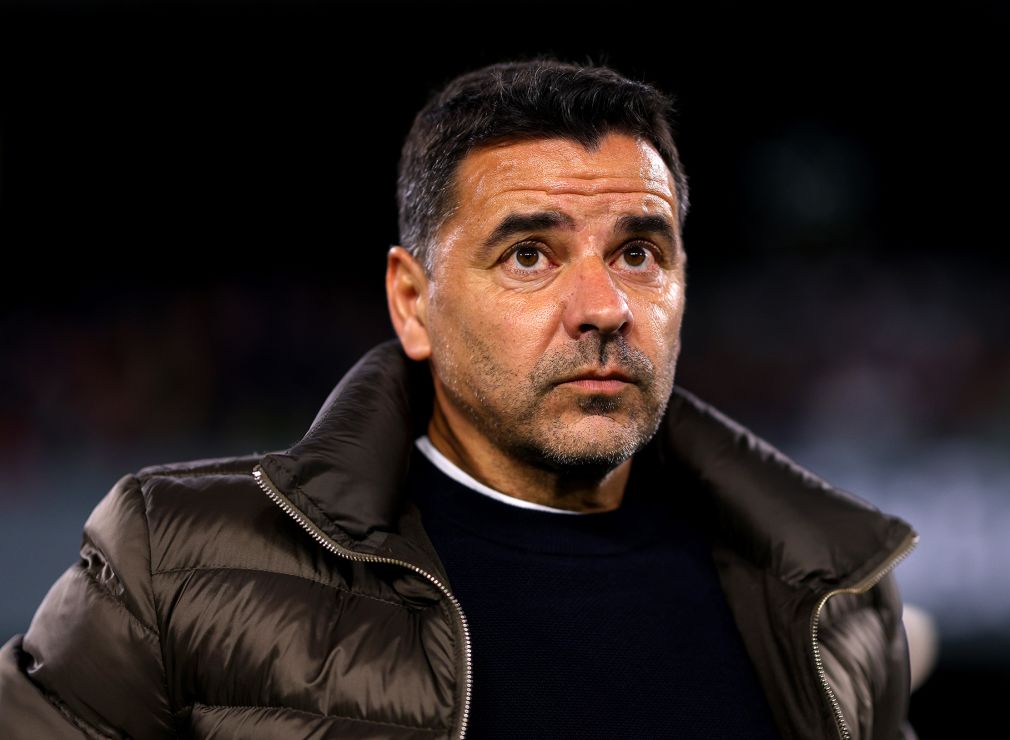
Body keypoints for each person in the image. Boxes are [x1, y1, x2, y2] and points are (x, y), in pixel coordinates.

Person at [0, 58, 919, 739]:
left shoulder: (832, 601)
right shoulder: (175, 567)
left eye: (640, 252)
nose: (603, 308)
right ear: (414, 302)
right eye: (530, 254)